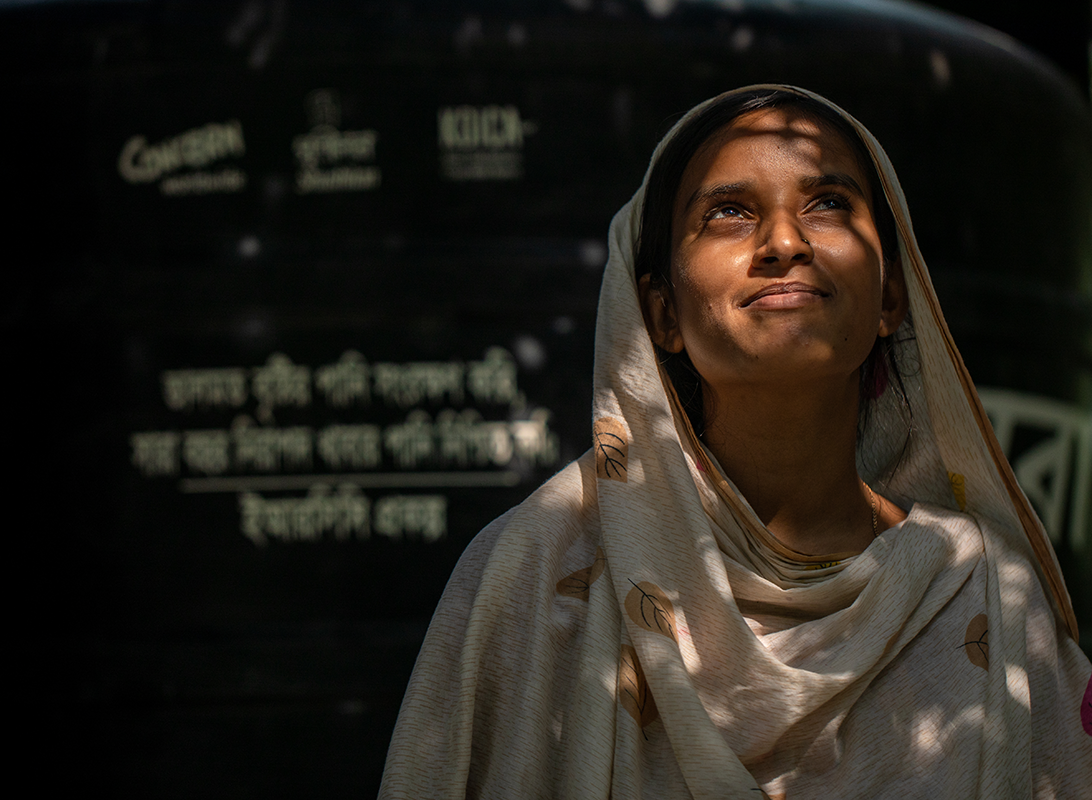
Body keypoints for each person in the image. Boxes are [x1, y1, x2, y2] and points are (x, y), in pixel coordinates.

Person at [379, 85, 1092, 799]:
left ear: (890, 298)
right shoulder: (541, 570)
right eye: (729, 212)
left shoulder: (985, 598)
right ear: (660, 313)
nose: (785, 242)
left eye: (828, 203)